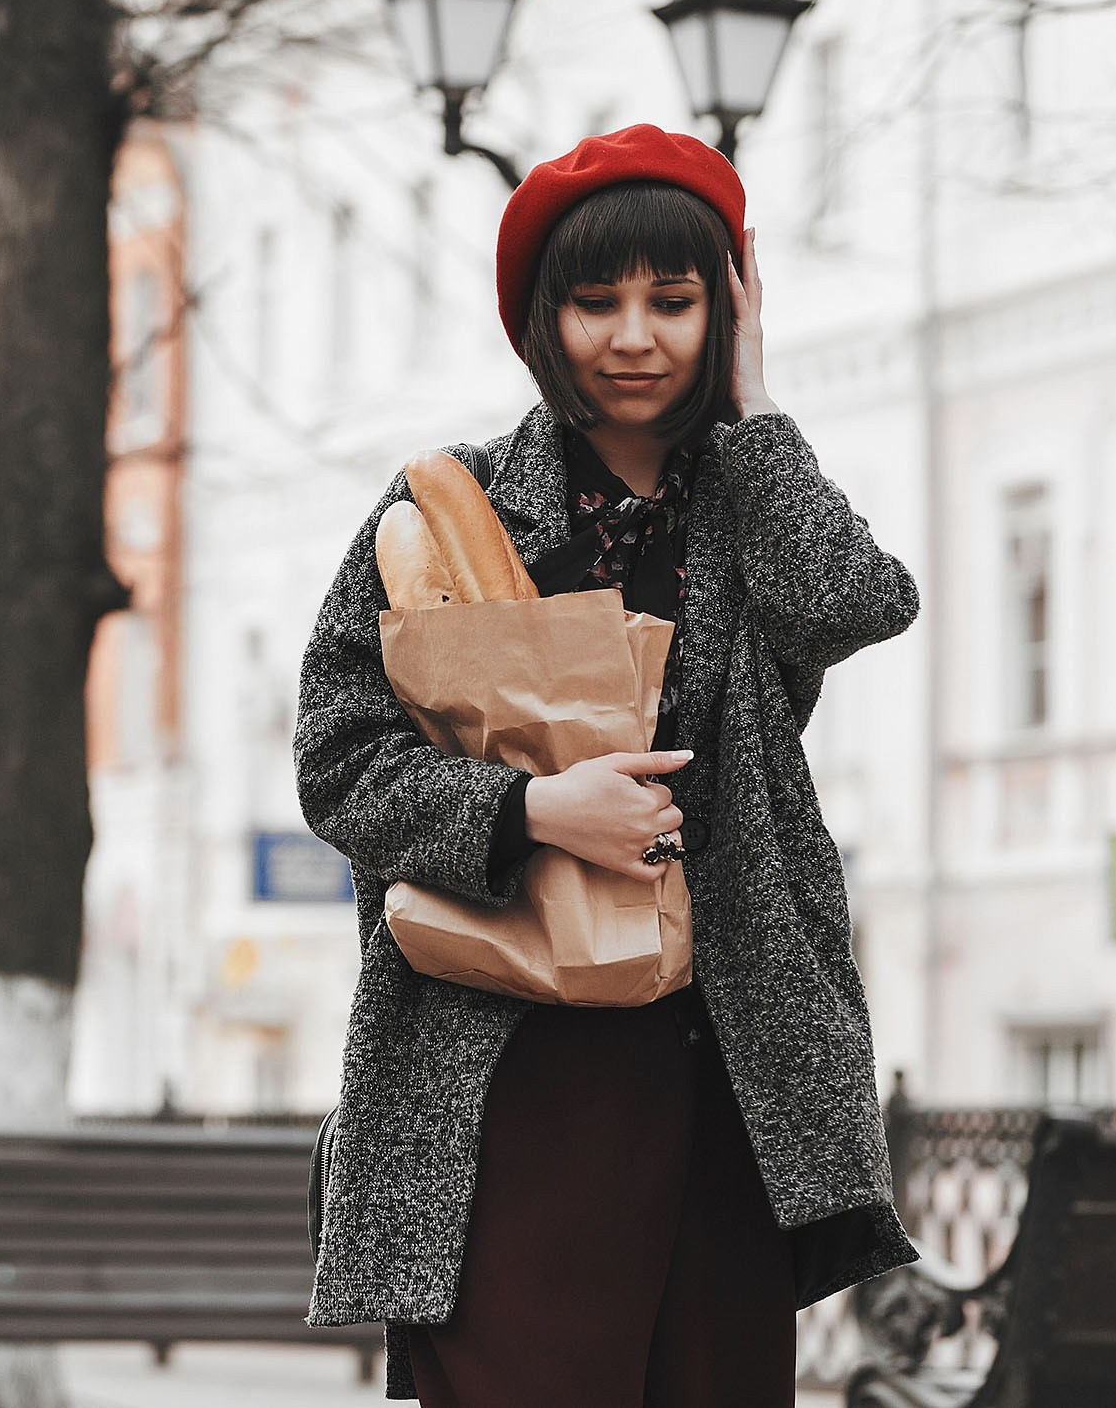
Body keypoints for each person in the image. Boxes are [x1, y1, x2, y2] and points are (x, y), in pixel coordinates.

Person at [296, 126, 921, 1406]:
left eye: (674, 302)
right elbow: (337, 762)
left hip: (725, 1059)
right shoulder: (446, 509)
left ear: (724, 312)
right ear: (544, 317)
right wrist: (531, 809)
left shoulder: (751, 505)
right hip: (502, 1065)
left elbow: (854, 603)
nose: (634, 337)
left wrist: (756, 407)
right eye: (596, 302)